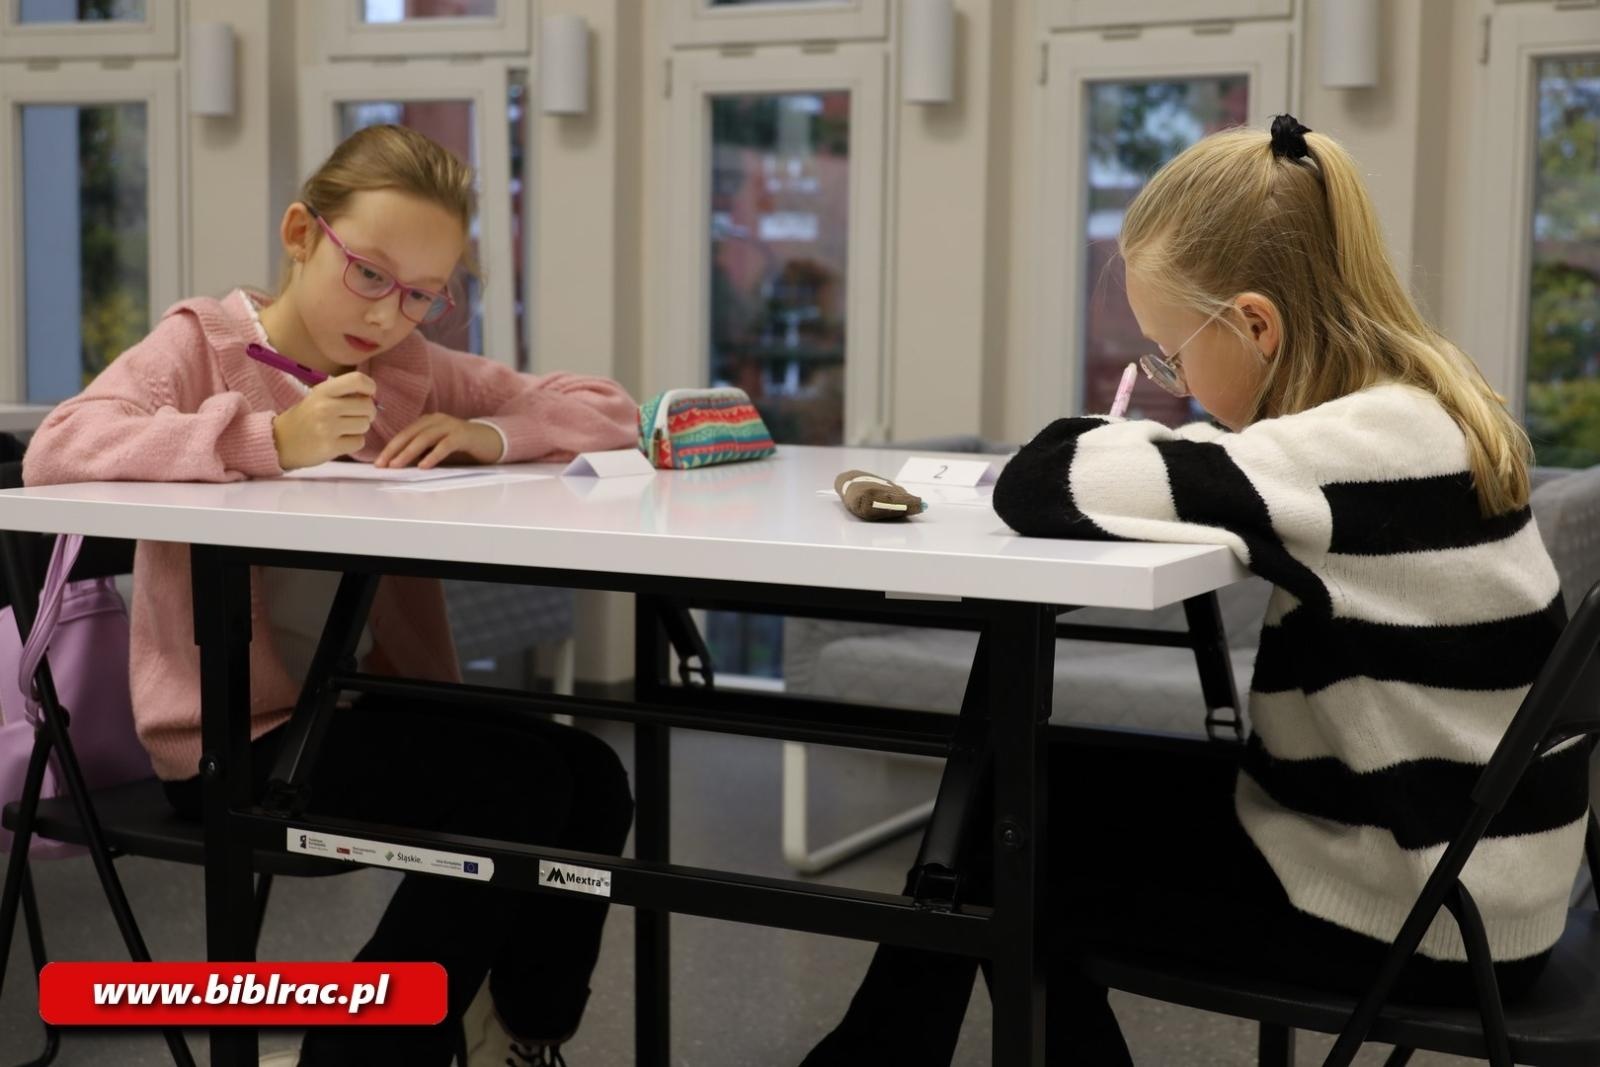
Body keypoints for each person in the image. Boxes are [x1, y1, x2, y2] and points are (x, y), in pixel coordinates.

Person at [801, 115, 1589, 1065]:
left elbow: (1044, 480)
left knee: (1009, 839)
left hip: (1418, 911)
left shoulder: (1350, 449)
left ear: (1256, 324)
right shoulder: (1427, 403)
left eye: (1168, 353)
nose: (1165, 380)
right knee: (1017, 793)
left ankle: (868, 1055)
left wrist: (1116, 431)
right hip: (1477, 881)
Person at [25, 124, 638, 1067]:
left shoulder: (405, 369)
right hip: (235, 736)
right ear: (302, 233)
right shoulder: (204, 344)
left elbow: (606, 405)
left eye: (424, 294)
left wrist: (492, 434)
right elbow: (59, 446)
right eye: (369, 273)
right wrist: (270, 439)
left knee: (595, 774)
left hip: (360, 706)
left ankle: (524, 1032)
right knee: (522, 789)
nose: (391, 313)